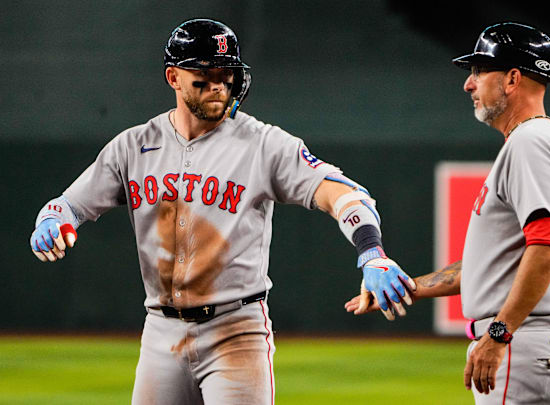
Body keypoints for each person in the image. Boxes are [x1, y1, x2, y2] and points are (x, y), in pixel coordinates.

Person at [29, 18, 415, 405]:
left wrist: (372, 253)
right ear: (173, 77)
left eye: (226, 73)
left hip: (236, 331)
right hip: (161, 332)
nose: (218, 84)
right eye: (204, 73)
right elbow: (70, 205)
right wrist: (53, 218)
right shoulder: (133, 147)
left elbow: (343, 195)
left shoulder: (263, 144)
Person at [346, 22, 550, 404]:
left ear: (512, 79)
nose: (468, 85)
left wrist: (499, 334)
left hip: (521, 342)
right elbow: (496, 265)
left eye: (479, 71)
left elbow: (547, 248)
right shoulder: (535, 140)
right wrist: (409, 288)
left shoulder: (530, 142)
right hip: (528, 340)